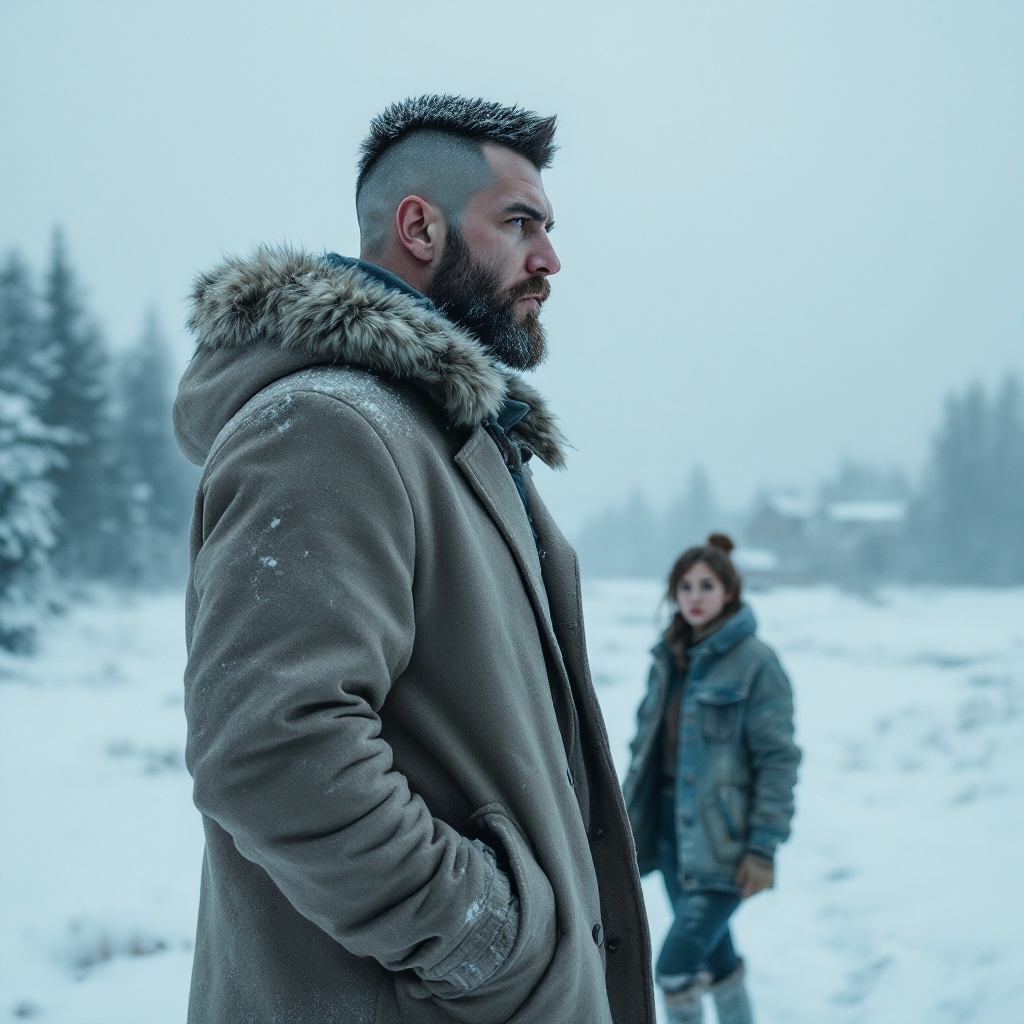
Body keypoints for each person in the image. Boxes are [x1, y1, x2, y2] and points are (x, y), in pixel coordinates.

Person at [173, 95, 655, 1024]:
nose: (550, 258)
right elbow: (272, 750)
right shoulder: (327, 428)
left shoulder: (439, 437)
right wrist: (493, 946)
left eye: (548, 228)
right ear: (419, 225)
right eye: (520, 223)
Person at [622, 535, 800, 1024]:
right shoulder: (668, 659)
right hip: (669, 831)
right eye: (685, 586)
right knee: (718, 960)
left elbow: (778, 760)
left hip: (723, 843)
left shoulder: (756, 662)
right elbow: (644, 749)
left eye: (707, 585)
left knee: (675, 969)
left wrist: (762, 845)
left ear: (730, 591)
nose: (695, 596)